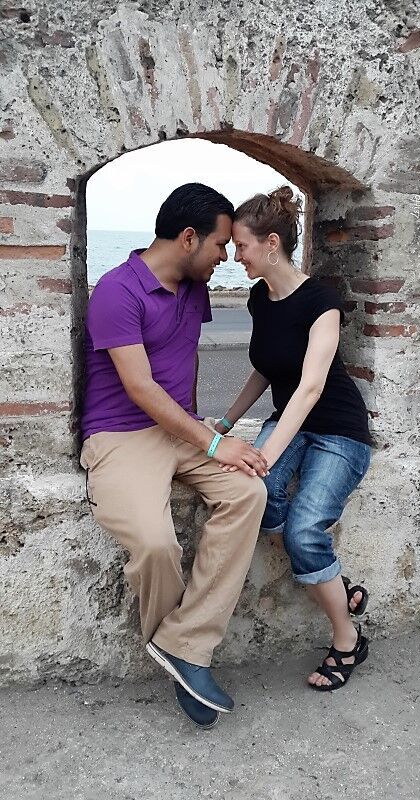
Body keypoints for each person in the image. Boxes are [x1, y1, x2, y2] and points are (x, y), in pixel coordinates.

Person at [80, 183, 268, 728]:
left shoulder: (195, 287)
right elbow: (140, 387)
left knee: (246, 491)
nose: (224, 258)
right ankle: (181, 660)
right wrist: (213, 441)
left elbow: (183, 362)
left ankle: (186, 643)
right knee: (156, 541)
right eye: (218, 246)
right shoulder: (117, 290)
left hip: (181, 429)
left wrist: (204, 429)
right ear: (188, 239)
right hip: (120, 435)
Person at [216, 186, 372, 692]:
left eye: (241, 245)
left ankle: (347, 640)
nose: (235, 255)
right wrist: (226, 421)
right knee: (254, 498)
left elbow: (308, 388)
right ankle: (336, 584)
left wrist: (265, 453)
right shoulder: (260, 298)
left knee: (305, 530)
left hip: (338, 432)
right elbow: (264, 370)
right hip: (289, 424)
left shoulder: (323, 302)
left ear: (271, 243)